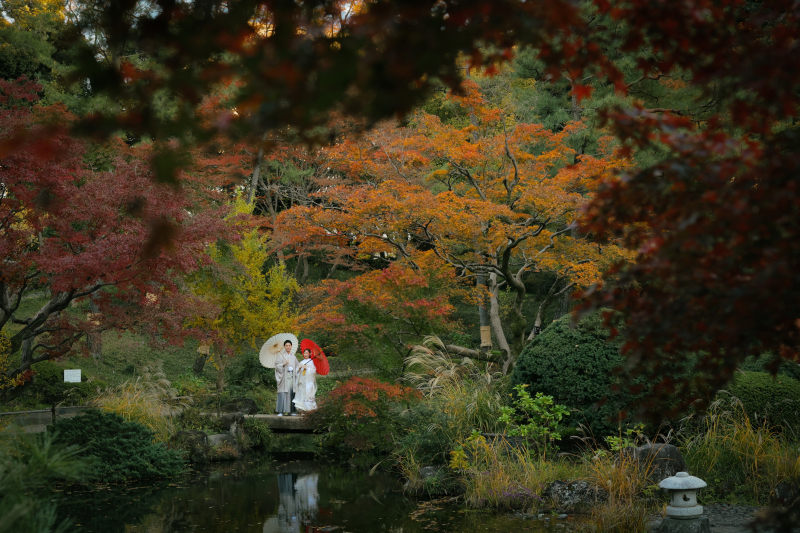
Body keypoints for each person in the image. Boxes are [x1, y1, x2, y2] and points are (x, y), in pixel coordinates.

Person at [275, 339, 299, 416]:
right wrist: (283, 364)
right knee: (282, 393)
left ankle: (291, 411)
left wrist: (295, 369)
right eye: (286, 345)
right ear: (284, 347)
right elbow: (276, 366)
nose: (288, 347)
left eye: (289, 345)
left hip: (291, 376)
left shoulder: (293, 356)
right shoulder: (280, 355)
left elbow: (297, 366)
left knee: (291, 393)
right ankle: (281, 411)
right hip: (283, 377)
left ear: (291, 346)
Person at [293, 348, 317, 412]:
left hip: (308, 382)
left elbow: (314, 371)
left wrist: (307, 368)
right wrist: (299, 368)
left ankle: (309, 410)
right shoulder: (301, 362)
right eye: (304, 353)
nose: (305, 354)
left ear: (309, 354)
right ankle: (302, 410)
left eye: (307, 353)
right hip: (302, 382)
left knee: (308, 396)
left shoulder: (311, 362)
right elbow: (296, 372)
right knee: (301, 395)